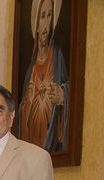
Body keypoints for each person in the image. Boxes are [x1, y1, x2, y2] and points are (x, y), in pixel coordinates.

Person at [18, 0, 68, 152]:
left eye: (49, 15)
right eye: (42, 16)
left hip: (51, 146)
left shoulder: (58, 57)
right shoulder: (30, 71)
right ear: (36, 23)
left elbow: (71, 91)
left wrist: (63, 94)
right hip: (32, 150)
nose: (46, 23)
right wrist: (28, 102)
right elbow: (19, 116)